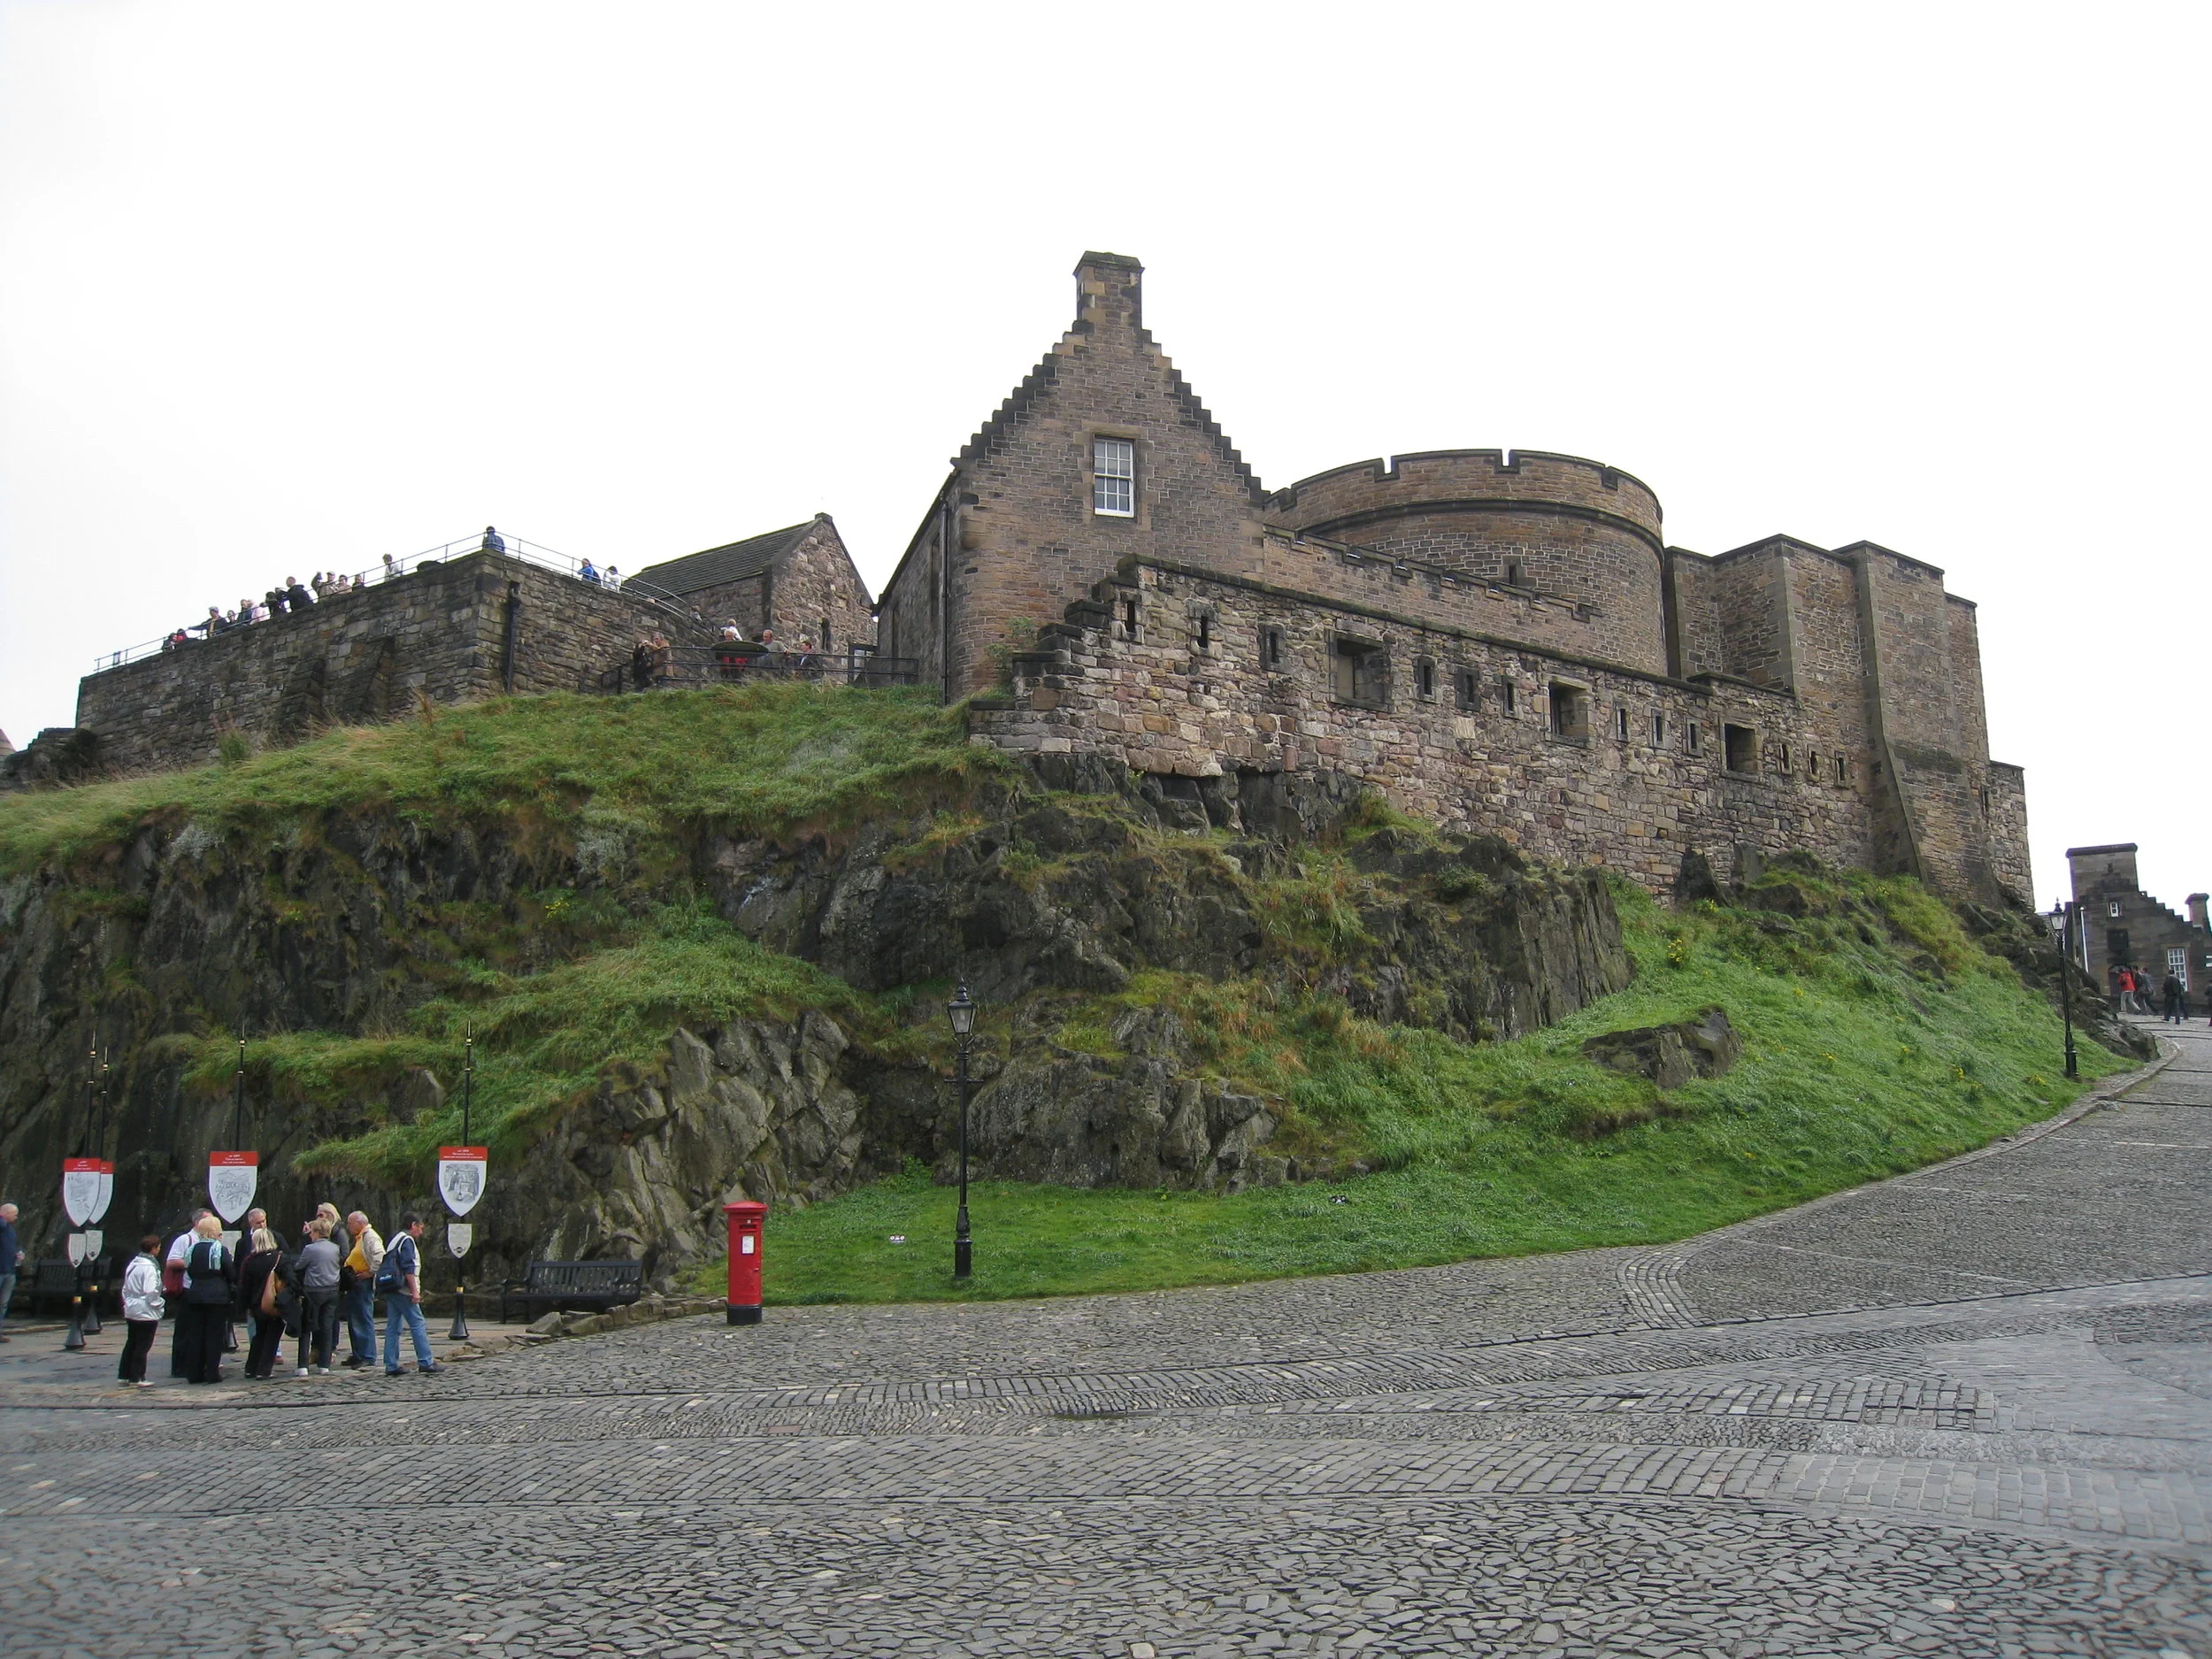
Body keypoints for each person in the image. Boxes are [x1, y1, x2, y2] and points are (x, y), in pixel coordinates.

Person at [379, 1213, 441, 1376]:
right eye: (420, 1228)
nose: (421, 1232)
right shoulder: (407, 1241)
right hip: (403, 1290)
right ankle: (425, 1361)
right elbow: (409, 1268)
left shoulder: (395, 1240)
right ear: (413, 1225)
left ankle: (391, 1364)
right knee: (417, 1323)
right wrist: (414, 1291)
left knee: (393, 1326)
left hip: (391, 1288)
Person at [178, 1216, 234, 1385]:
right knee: (214, 1335)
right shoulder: (219, 1249)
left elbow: (189, 1272)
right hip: (216, 1295)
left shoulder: (192, 1250)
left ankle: (194, 1373)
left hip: (195, 1294)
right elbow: (230, 1273)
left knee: (196, 1335)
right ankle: (212, 1372)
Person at [291, 1216, 342, 1376]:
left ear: (316, 1232)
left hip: (313, 1291)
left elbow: (299, 1266)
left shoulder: (310, 1249)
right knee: (327, 1328)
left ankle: (302, 1366)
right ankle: (324, 1365)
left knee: (307, 1327)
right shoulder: (335, 1248)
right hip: (332, 1290)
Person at [165, 1210, 211, 1377]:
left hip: (201, 1289)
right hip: (187, 1288)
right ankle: (179, 1366)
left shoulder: (207, 1240)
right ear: (197, 1222)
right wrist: (192, 1262)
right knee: (184, 1329)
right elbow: (171, 1261)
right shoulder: (185, 1239)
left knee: (198, 1329)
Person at [237, 1227, 288, 1379]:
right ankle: (264, 1369)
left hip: (256, 1304)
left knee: (259, 1335)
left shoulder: (249, 1261)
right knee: (272, 1336)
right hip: (274, 1303)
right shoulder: (279, 1258)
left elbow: (244, 1285)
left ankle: (251, 1368)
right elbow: (289, 1280)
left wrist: (246, 1306)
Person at [117, 1233, 165, 1386]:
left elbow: (125, 1287)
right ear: (154, 1249)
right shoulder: (150, 1267)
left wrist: (128, 1301)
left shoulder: (133, 1264)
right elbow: (150, 1290)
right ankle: (138, 1376)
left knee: (131, 1341)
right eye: (158, 1247)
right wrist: (158, 1303)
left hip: (131, 1306)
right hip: (145, 1309)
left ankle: (124, 1374)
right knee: (143, 1344)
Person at [342, 1211, 384, 1368]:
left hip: (363, 1283)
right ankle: (358, 1353)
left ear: (359, 1223)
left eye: (350, 1223)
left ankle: (368, 1355)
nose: (348, 1227)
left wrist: (370, 1272)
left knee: (363, 1317)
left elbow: (380, 1256)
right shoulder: (360, 1237)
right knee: (354, 1319)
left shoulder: (370, 1236)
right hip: (355, 1283)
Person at [0, 1202, 19, 1342]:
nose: (16, 1217)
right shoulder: (2, 1225)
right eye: (14, 1214)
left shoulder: (11, 1230)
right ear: (5, 1213)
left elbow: (14, 1245)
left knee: (3, 1303)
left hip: (9, 1270)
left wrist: (19, 1253)